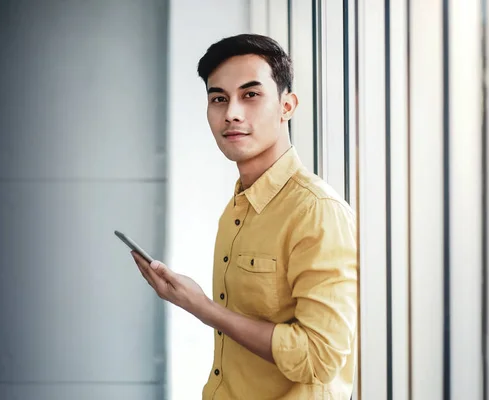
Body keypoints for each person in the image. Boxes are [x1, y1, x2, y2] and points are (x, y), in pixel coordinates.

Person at [131, 33, 357, 399]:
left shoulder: (316, 212)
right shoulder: (238, 208)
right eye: (219, 98)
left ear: (287, 106)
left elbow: (319, 357)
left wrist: (202, 308)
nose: (232, 112)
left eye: (250, 95)